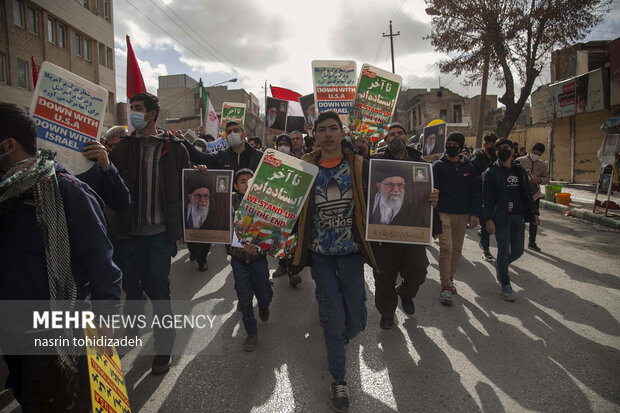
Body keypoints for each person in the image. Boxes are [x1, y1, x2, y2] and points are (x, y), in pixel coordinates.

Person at [0, 103, 122, 411]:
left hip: (57, 334)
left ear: (8, 145)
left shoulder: (67, 191)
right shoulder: (4, 195)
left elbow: (101, 264)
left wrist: (105, 323)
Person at [290, 111, 377, 413]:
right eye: (322, 130)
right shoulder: (303, 168)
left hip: (352, 254)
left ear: (342, 133)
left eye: (333, 129)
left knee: (356, 320)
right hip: (321, 256)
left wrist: (425, 198)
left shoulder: (359, 166)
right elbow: (284, 202)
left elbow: (391, 193)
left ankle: (344, 336)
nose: (327, 134)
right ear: (315, 135)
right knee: (333, 320)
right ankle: (339, 379)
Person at [109, 92, 190, 374]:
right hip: (129, 233)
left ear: (152, 114)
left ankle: (164, 347)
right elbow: (109, 186)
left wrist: (199, 172)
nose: (133, 113)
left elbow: (187, 185)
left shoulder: (176, 148)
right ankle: (131, 333)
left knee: (158, 289)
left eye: (138, 109)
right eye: (131, 108)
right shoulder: (121, 149)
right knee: (132, 289)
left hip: (159, 234)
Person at [370, 122, 439, 329]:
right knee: (384, 277)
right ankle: (388, 312)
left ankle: (406, 293)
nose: (396, 137)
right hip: (384, 234)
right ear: (386, 139)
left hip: (412, 230)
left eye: (400, 133)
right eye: (391, 135)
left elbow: (429, 193)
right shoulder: (375, 163)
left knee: (419, 270)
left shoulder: (421, 162)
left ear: (407, 136)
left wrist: (435, 197)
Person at [483, 138, 540, 301]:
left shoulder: (520, 171)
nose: (502, 150)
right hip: (501, 217)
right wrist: (488, 218)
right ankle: (506, 285)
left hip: (518, 215)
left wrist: (534, 212)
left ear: (513, 150)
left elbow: (527, 194)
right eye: (499, 148)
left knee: (517, 251)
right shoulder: (491, 172)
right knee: (502, 250)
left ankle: (501, 267)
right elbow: (487, 198)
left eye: (506, 147)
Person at [226, 168, 273, 352]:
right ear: (236, 186)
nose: (247, 185)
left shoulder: (265, 203)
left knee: (263, 293)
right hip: (238, 260)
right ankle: (251, 332)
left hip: (259, 259)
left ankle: (264, 304)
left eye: (250, 181)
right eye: (243, 181)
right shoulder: (229, 203)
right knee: (244, 299)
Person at [432, 131, 480, 305]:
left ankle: (450, 279)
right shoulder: (437, 166)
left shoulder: (469, 167)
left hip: (462, 214)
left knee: (457, 250)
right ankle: (445, 286)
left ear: (460, 147)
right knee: (446, 247)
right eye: (449, 144)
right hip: (443, 212)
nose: (451, 147)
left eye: (454, 145)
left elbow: (475, 192)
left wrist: (475, 213)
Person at [183, 121, 262, 172]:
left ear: (244, 135)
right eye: (229, 132)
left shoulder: (259, 156)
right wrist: (183, 141)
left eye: (236, 131)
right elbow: (199, 157)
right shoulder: (221, 156)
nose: (232, 134)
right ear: (226, 138)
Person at [516, 143, 549, 252]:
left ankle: (532, 242)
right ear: (531, 150)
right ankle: (516, 240)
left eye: (538, 154)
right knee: (518, 216)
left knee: (534, 218)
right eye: (535, 153)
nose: (536, 155)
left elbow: (547, 179)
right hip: (520, 193)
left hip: (534, 194)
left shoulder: (542, 165)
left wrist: (539, 180)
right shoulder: (520, 161)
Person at [471, 132, 498, 262]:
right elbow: (469, 178)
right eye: (489, 145)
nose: (491, 147)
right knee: (486, 222)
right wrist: (479, 178)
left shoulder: (497, 159)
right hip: (482, 196)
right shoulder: (477, 160)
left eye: (494, 145)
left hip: (496, 197)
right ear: (485, 145)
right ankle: (486, 250)